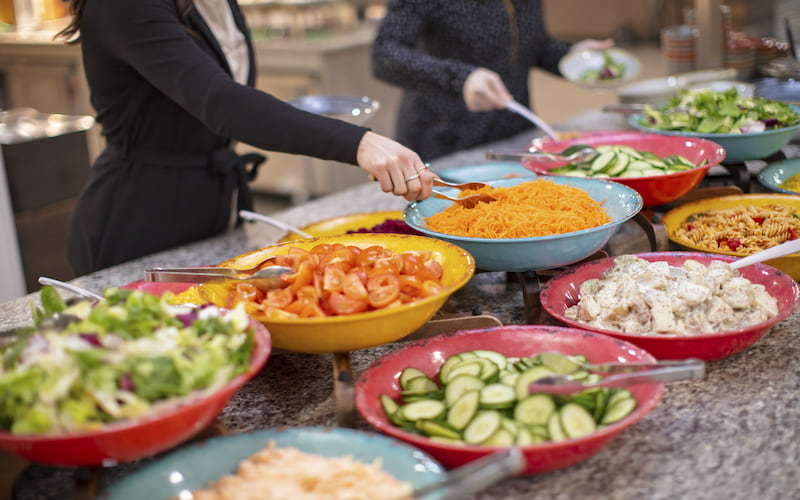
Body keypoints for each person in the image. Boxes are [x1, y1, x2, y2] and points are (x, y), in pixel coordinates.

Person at [56, 0, 437, 276]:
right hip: (140, 222)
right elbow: (221, 102)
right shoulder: (123, 7)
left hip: (216, 209)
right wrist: (359, 142)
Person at [372, 0, 614, 161]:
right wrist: (461, 78)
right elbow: (385, 55)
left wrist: (571, 57)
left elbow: (532, 46)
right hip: (447, 138)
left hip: (514, 131)